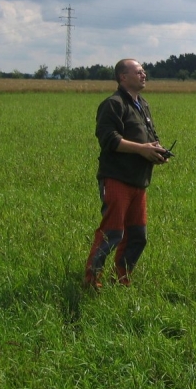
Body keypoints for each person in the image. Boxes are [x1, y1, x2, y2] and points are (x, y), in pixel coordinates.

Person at [83, 58, 169, 290]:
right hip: (117, 178)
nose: (144, 75)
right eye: (139, 72)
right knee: (112, 233)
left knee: (137, 237)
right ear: (123, 77)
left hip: (139, 180)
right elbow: (108, 139)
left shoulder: (142, 104)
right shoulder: (113, 104)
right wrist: (142, 149)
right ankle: (92, 281)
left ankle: (121, 281)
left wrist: (155, 151)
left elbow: (149, 137)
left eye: (144, 72)